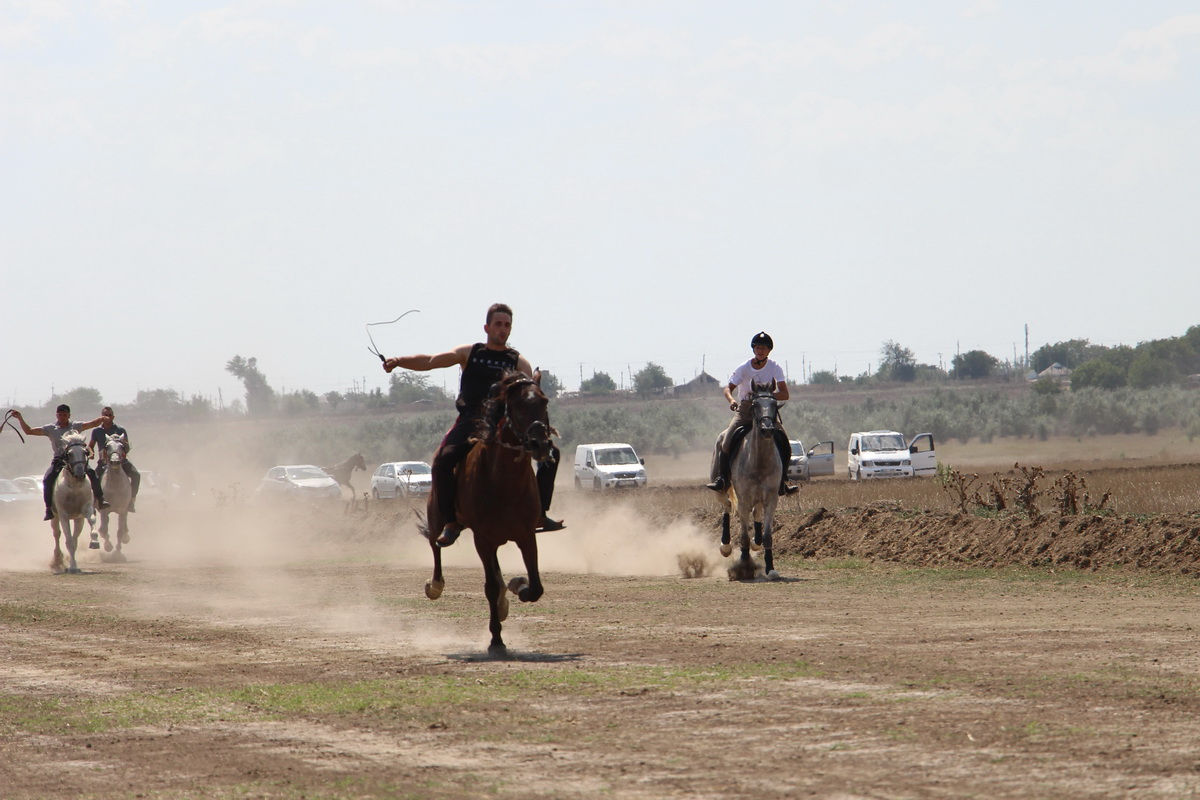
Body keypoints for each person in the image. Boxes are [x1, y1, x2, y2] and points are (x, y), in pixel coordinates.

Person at [382, 302, 564, 546]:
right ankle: (450, 521)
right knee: (442, 461)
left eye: (507, 325)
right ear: (487, 327)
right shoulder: (470, 353)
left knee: (552, 453)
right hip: (470, 422)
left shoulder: (519, 362)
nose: (502, 329)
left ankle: (540, 513)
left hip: (505, 426)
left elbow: (529, 394)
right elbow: (430, 361)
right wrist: (399, 360)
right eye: (498, 324)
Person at [705, 331, 799, 496]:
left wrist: (766, 397)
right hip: (746, 411)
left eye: (763, 348)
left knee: (784, 442)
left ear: (769, 350)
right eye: (757, 347)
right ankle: (722, 479)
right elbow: (728, 388)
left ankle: (783, 481)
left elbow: (785, 394)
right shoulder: (743, 368)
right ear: (753, 349)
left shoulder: (775, 368)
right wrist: (732, 401)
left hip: (766, 411)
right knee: (726, 441)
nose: (760, 350)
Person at [8, 404, 109, 520]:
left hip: (75, 460)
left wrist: (101, 419)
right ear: (56, 415)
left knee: (92, 473)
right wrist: (20, 418)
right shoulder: (51, 429)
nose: (62, 417)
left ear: (69, 415)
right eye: (60, 415)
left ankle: (100, 499)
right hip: (59, 460)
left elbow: (91, 424)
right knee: (47, 479)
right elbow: (29, 431)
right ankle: (49, 508)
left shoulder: (76, 426)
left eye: (65, 415)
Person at [88, 406, 142, 513]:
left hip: (121, 461)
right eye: (105, 415)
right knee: (93, 479)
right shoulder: (97, 431)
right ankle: (95, 502)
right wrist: (91, 453)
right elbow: (90, 446)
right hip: (104, 462)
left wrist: (123, 445)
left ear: (113, 417)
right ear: (101, 417)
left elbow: (126, 447)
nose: (107, 417)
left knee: (136, 475)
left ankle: (131, 500)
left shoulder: (120, 430)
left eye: (109, 415)